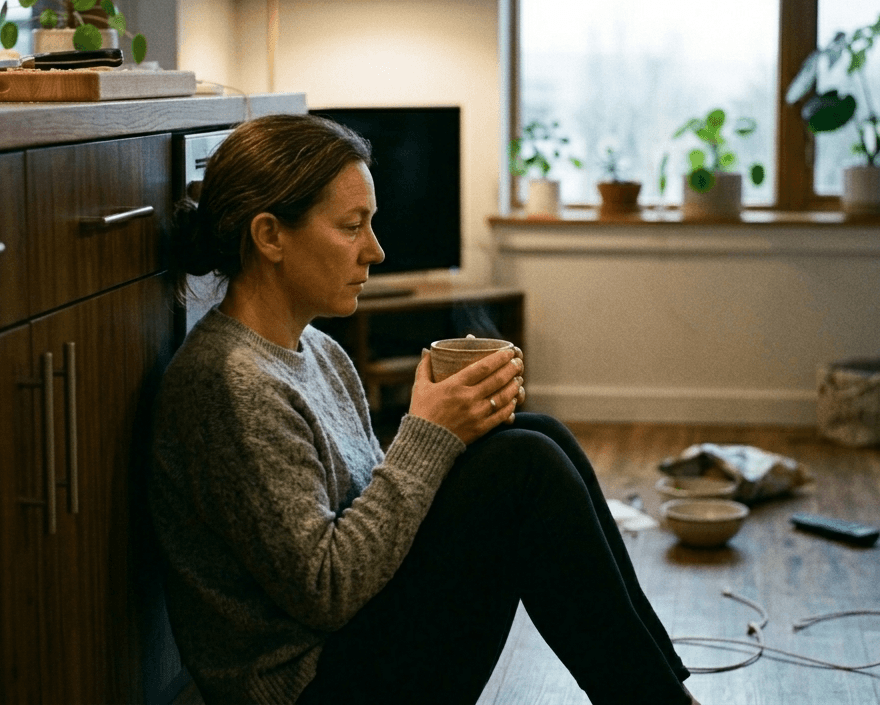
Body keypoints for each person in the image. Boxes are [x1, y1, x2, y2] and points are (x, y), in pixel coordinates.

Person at [150, 113, 696, 705]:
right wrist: (427, 433)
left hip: (353, 644)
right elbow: (326, 590)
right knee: (524, 468)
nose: (376, 251)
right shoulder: (229, 383)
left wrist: (446, 429)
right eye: (351, 227)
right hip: (309, 687)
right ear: (270, 236)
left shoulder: (320, 351)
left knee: (535, 433)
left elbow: (366, 509)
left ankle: (666, 696)